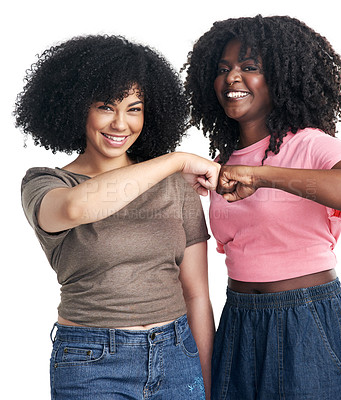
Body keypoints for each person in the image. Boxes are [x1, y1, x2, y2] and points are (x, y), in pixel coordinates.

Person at [184, 15, 341, 400]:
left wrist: (262, 176)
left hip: (307, 321)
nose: (232, 78)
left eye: (249, 68)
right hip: (240, 320)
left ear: (279, 77)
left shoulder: (311, 144)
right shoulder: (223, 161)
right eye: (223, 69)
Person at [15, 34, 220, 400]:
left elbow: (197, 295)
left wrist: (207, 383)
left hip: (177, 353)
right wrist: (177, 159)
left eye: (135, 108)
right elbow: (76, 208)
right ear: (78, 107)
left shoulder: (174, 186)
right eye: (106, 107)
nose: (120, 124)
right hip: (92, 361)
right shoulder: (46, 183)